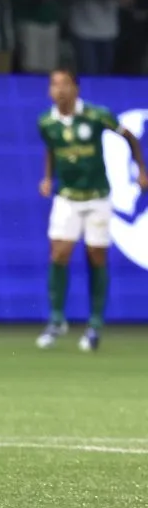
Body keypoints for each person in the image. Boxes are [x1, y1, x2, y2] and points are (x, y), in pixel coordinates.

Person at [36, 68, 148, 351]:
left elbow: (130, 136)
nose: (57, 90)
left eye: (63, 84)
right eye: (53, 84)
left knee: (95, 255)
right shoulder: (46, 121)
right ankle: (56, 319)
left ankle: (95, 324)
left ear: (75, 88)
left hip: (97, 196)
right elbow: (51, 149)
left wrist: (141, 169)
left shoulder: (97, 115)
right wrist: (48, 177)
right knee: (59, 253)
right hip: (67, 197)